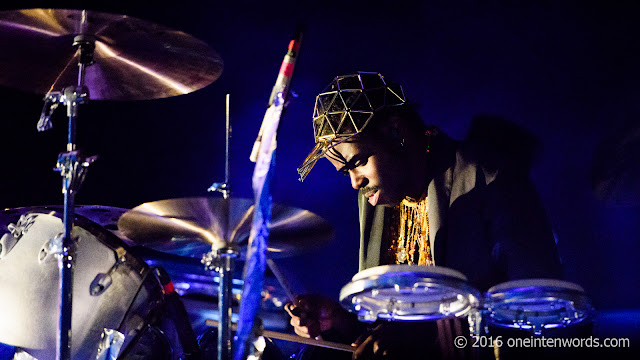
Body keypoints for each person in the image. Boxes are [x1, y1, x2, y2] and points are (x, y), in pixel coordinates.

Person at [289, 72, 563, 359]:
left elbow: (543, 311)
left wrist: (460, 337)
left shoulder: (489, 179)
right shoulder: (373, 197)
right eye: (346, 171)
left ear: (396, 132)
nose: (355, 182)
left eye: (358, 162)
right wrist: (339, 322)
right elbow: (389, 326)